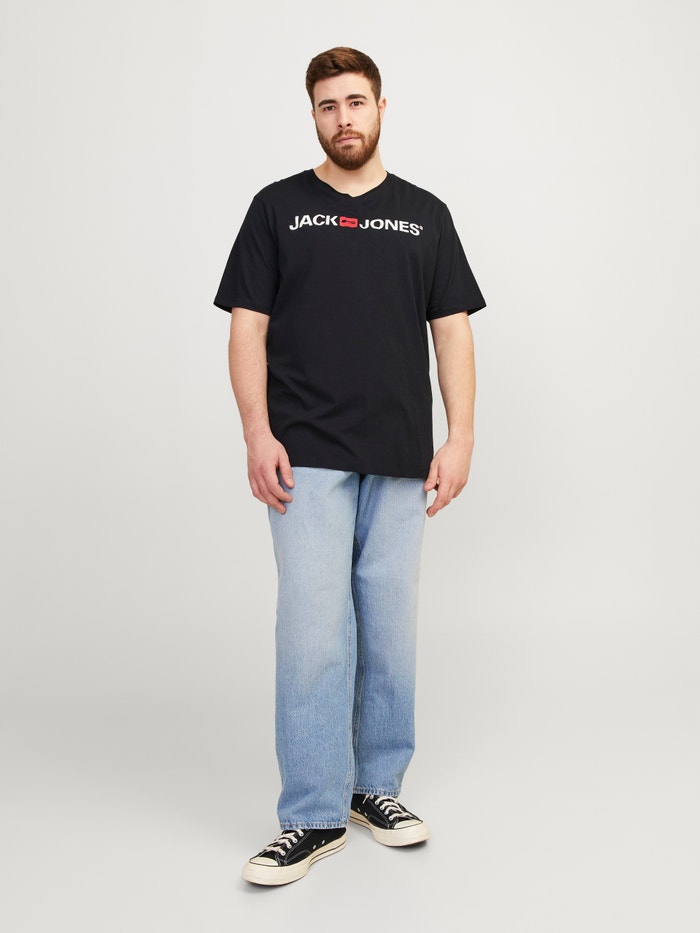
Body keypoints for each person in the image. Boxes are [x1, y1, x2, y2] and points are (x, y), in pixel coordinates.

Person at [213, 47, 486, 886]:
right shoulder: (278, 208)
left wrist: (461, 437)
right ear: (313, 116)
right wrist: (257, 433)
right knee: (312, 632)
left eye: (356, 102)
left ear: (381, 107)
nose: (344, 118)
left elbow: (452, 328)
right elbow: (247, 325)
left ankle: (376, 788)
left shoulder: (425, 215)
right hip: (305, 454)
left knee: (390, 631)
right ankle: (312, 813)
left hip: (400, 455)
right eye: (328, 105)